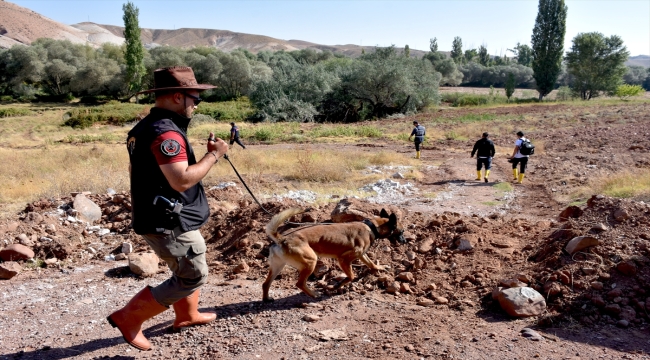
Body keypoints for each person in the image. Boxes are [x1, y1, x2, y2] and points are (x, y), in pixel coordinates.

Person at [108, 67, 228, 351]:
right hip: (167, 221)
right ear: (178, 96)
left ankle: (187, 315)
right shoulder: (166, 134)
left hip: (166, 215)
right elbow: (181, 179)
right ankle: (128, 318)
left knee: (190, 260)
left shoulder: (146, 127)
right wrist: (214, 154)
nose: (197, 104)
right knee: (192, 274)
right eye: (195, 98)